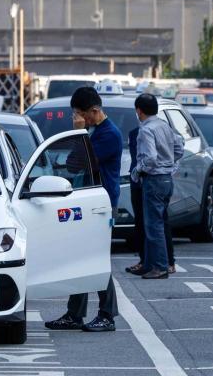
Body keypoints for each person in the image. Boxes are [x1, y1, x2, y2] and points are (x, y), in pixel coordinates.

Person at [45, 87, 122, 332]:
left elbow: (81, 161)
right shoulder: (93, 132)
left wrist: (79, 133)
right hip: (84, 199)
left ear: (94, 111)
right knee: (78, 257)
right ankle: (74, 314)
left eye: (80, 114)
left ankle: (107, 314)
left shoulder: (108, 134)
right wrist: (82, 133)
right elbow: (73, 163)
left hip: (101, 203)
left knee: (96, 259)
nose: (78, 119)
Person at [131, 94, 184, 279]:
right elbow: (179, 149)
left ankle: (159, 267)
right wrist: (169, 162)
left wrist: (138, 170)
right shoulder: (164, 125)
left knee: (153, 226)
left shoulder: (146, 130)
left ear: (139, 110)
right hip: (167, 179)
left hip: (153, 180)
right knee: (157, 223)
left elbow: (150, 158)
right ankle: (150, 264)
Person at [125, 126, 176, 275]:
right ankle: (146, 262)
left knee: (157, 222)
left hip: (151, 178)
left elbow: (151, 157)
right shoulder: (135, 132)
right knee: (142, 222)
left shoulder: (155, 130)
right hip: (142, 180)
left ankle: (166, 263)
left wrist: (142, 170)